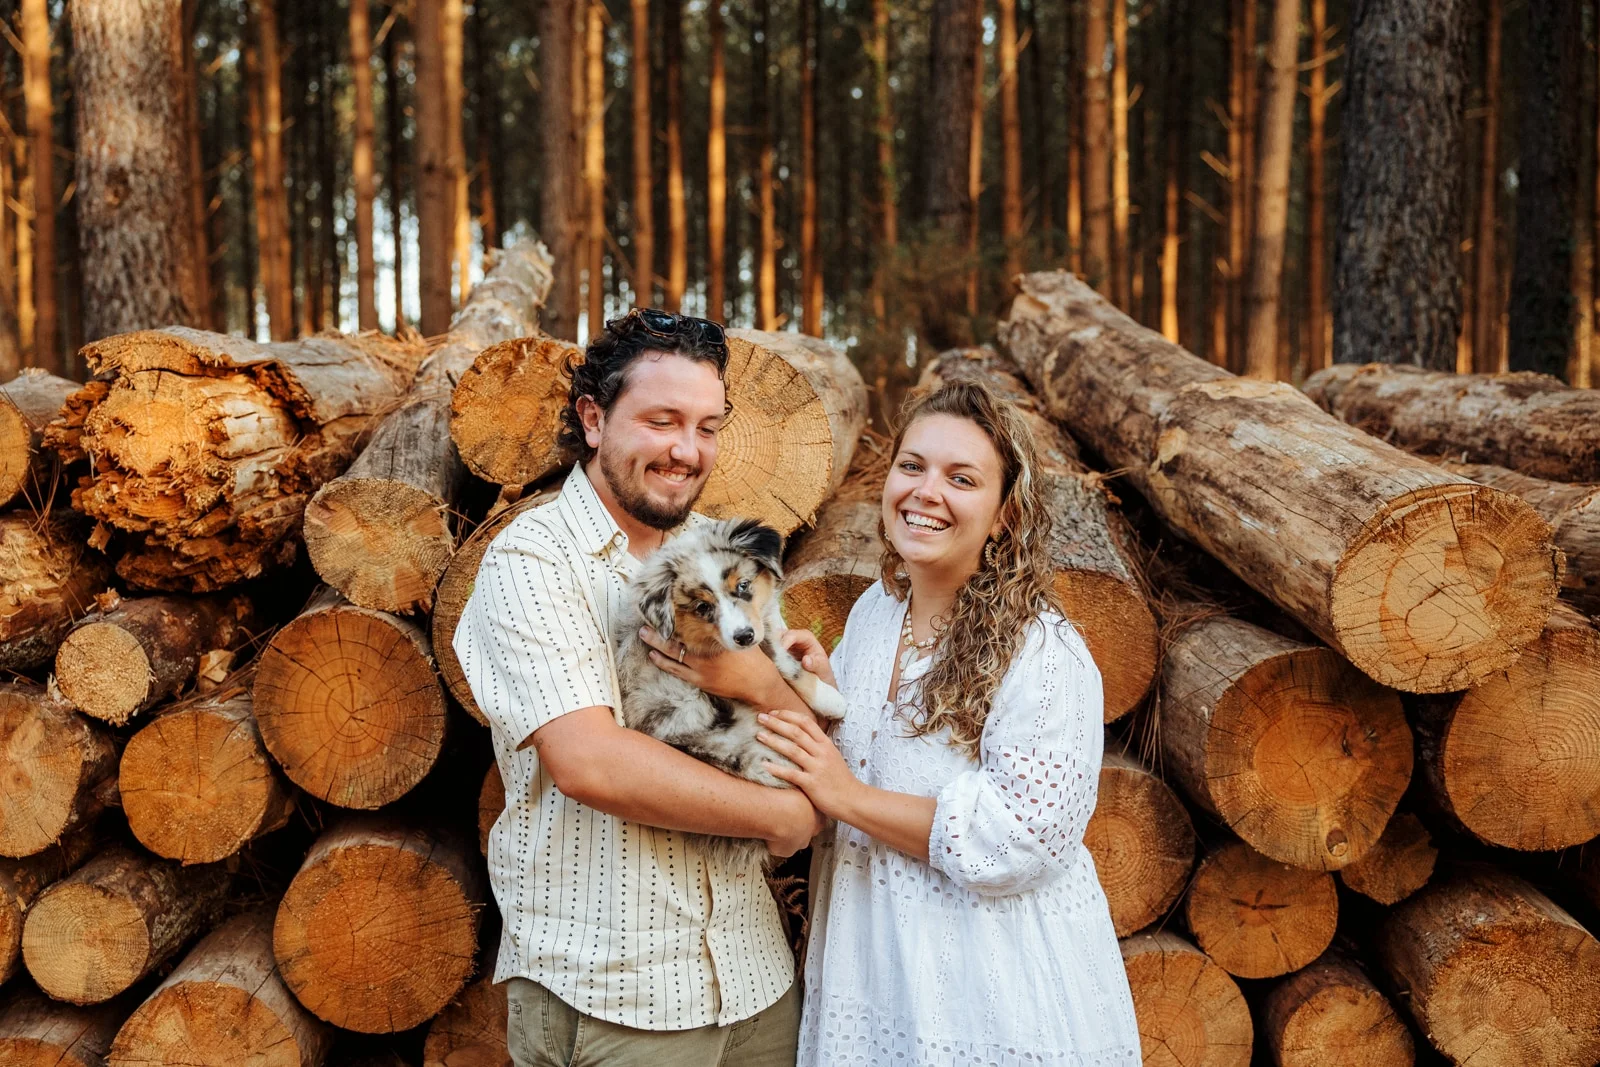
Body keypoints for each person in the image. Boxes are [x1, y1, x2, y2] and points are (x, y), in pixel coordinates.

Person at [645, 379, 1141, 1065]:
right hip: (872, 964)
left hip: (989, 988)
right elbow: (867, 750)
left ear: (1004, 513)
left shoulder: (1045, 653)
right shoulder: (878, 613)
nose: (925, 491)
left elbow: (1022, 838)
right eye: (912, 466)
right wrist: (818, 685)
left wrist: (845, 795)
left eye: (962, 478)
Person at [452, 308, 822, 1067]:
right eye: (662, 421)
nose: (687, 450)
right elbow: (591, 761)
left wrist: (777, 683)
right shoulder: (533, 560)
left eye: (707, 426)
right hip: (617, 997)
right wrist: (783, 815)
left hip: (755, 982)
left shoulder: (722, 554)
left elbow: (788, 709)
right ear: (594, 418)